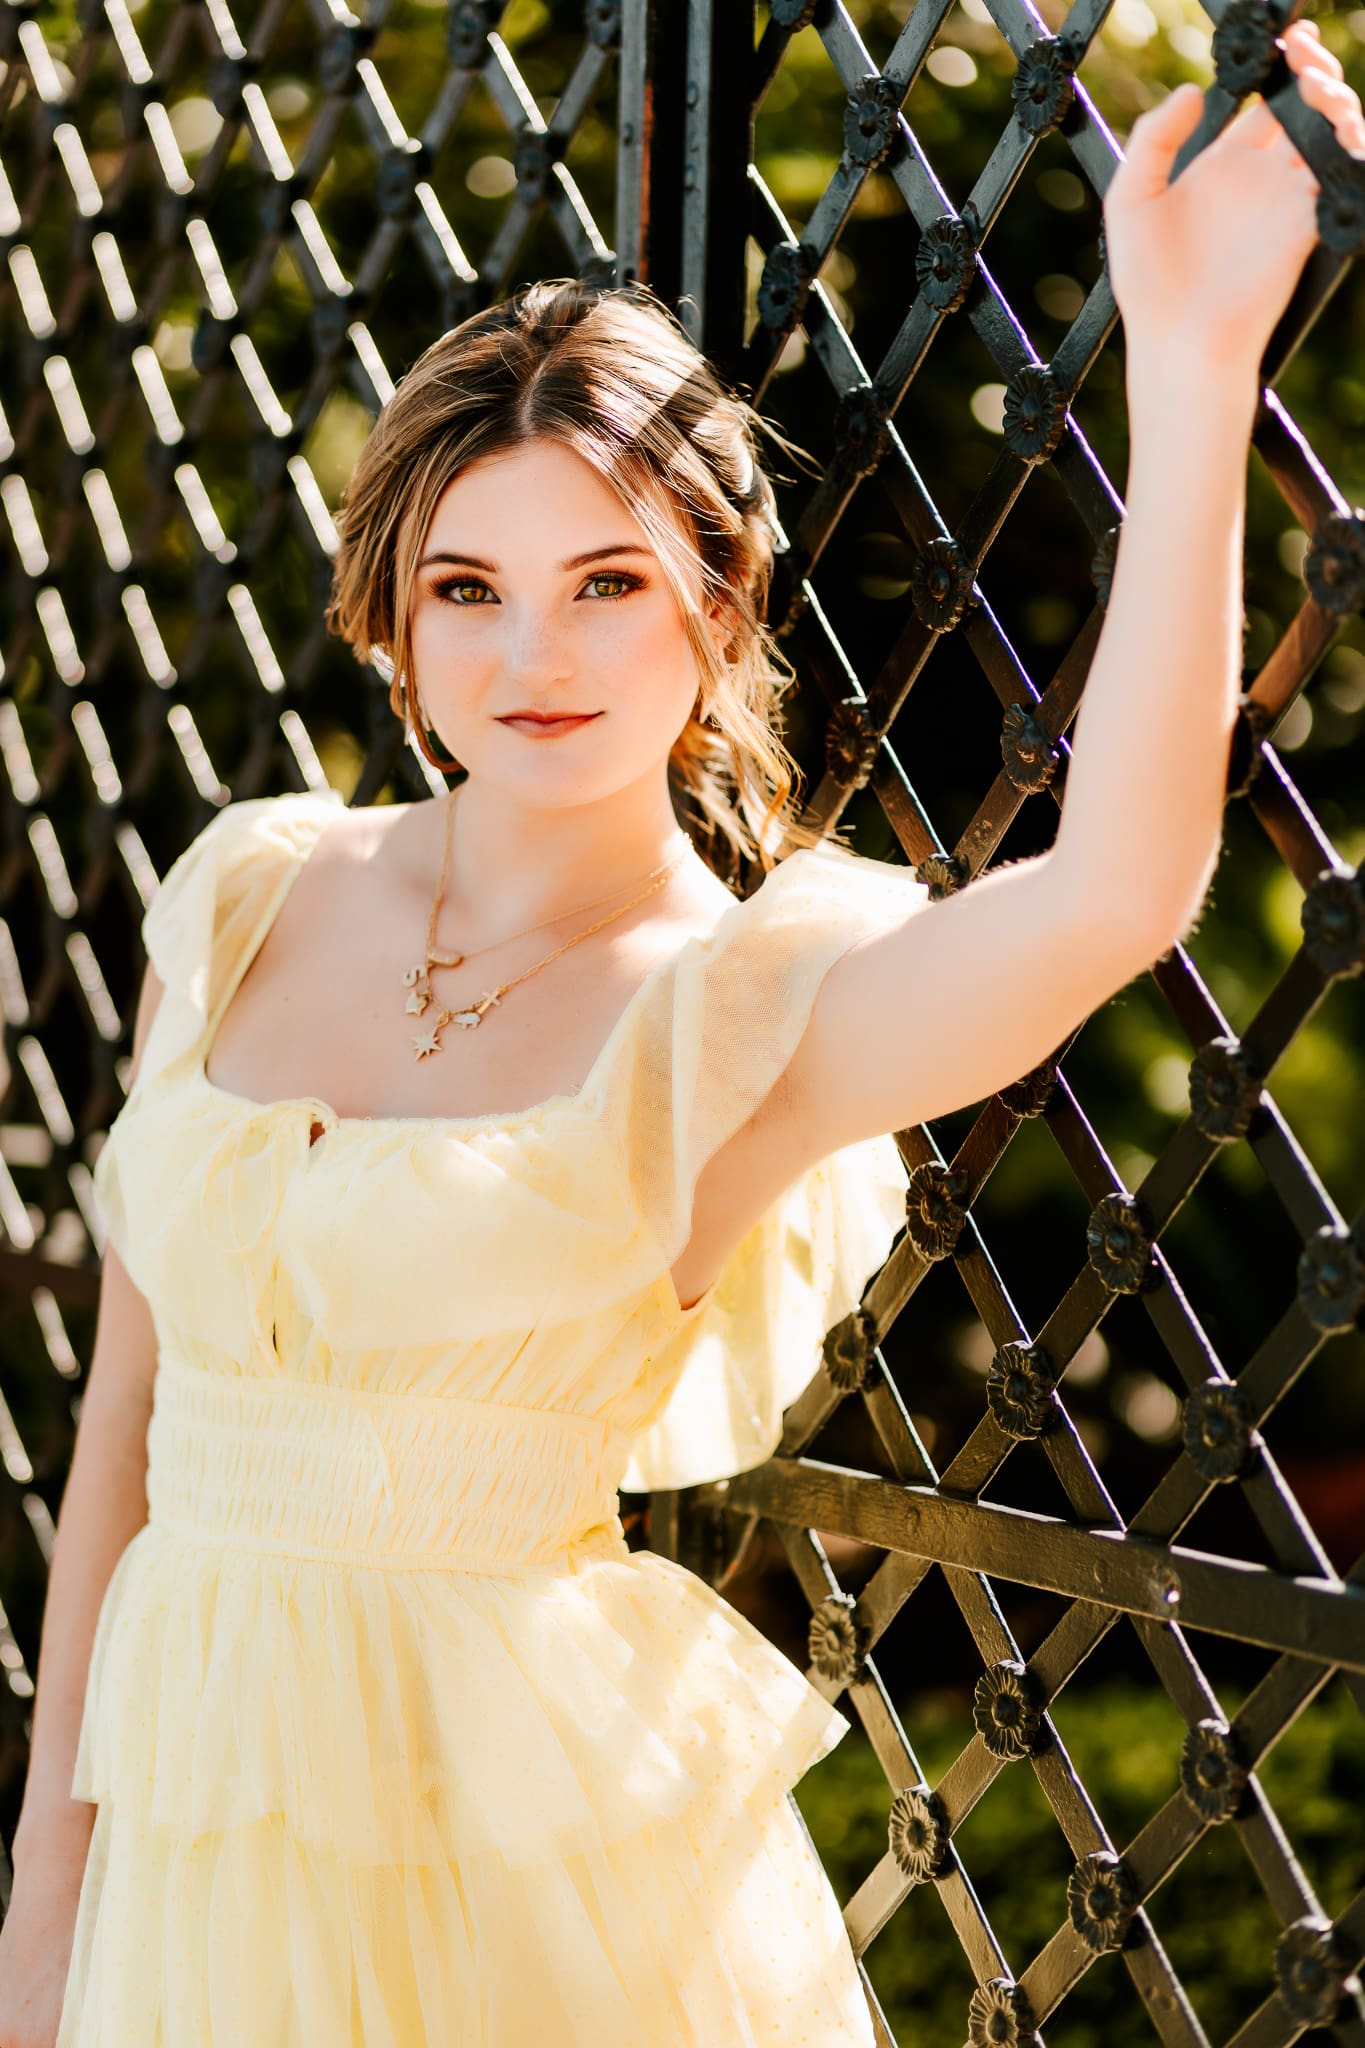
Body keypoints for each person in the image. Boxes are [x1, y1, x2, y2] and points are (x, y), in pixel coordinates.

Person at [5, 26, 1362, 2043]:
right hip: (189, 1860)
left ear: (713, 606)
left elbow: (1107, 897)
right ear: (391, 611)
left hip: (514, 1873)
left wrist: (1187, 350)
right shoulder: (256, 889)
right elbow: (124, 1429)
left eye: (607, 584)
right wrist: (47, 1894)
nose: (531, 657)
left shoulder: (732, 1007)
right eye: (468, 587)